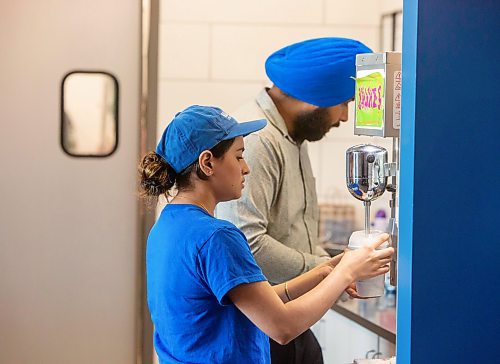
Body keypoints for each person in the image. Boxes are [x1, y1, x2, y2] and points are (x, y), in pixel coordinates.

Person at [140, 104, 393, 364]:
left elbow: (260, 301)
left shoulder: (166, 227)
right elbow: (282, 327)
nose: (246, 168)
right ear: (207, 163)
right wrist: (346, 273)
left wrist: (326, 271)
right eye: (238, 156)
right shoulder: (216, 237)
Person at [216, 37, 373, 363]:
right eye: (344, 103)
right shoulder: (258, 140)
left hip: (288, 309)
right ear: (317, 97)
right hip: (263, 320)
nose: (344, 117)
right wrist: (329, 271)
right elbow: (249, 243)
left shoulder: (292, 135)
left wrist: (332, 267)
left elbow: (295, 226)